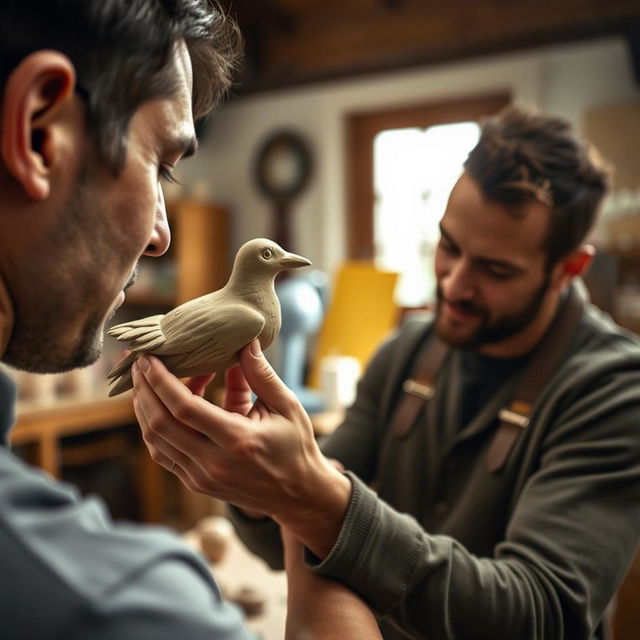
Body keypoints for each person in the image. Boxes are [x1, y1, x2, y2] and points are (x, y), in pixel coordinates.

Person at [133, 104, 640, 639]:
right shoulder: (407, 354)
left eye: (495, 269)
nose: (453, 284)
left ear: (569, 269)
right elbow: (282, 543)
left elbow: (539, 616)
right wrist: (256, 484)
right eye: (449, 246)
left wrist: (315, 498)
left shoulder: (615, 393)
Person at [0, 1, 383, 637]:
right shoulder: (125, 608)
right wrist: (309, 504)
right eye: (161, 165)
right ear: (41, 134)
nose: (161, 236)